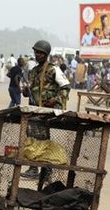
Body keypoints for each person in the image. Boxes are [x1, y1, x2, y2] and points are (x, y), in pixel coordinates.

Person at [20, 40, 71, 179]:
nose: (38, 54)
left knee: (43, 139)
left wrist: (55, 100)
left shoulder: (53, 69)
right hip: (34, 110)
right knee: (31, 138)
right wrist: (25, 90)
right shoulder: (33, 71)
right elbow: (29, 90)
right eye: (36, 52)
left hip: (48, 111)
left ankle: (46, 170)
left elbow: (66, 87)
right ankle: (33, 168)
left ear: (46, 54)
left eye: (41, 52)